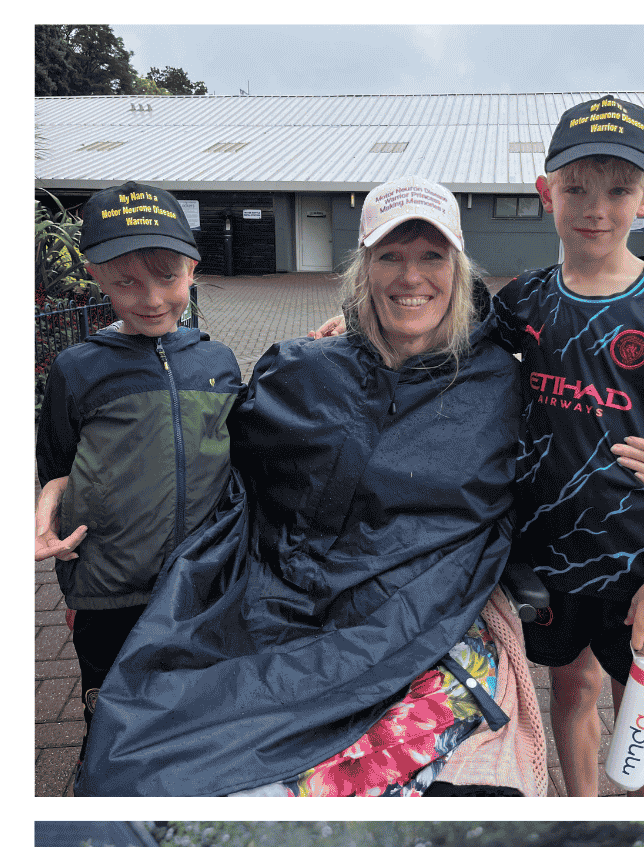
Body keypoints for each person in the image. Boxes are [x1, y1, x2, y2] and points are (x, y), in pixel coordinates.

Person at [75, 178, 541, 796]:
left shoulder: (502, 387)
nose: (412, 276)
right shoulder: (303, 368)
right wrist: (63, 482)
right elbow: (219, 448)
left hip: (405, 612)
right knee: (137, 750)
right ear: (363, 269)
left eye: (432, 256)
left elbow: (568, 462)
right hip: (271, 589)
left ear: (459, 269)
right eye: (391, 256)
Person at [490, 96, 644, 797]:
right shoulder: (524, 301)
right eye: (575, 188)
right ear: (546, 194)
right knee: (570, 693)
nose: (595, 208)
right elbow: (443, 337)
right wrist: (348, 324)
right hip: (548, 554)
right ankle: (582, 811)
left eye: (619, 189)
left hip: (640, 566)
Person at [34, 182, 241, 736]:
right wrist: (44, 508)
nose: (150, 298)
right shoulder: (76, 370)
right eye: (126, 281)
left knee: (195, 712)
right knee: (112, 716)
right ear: (95, 275)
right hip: (107, 589)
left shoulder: (218, 363)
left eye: (167, 277)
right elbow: (56, 464)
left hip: (202, 583)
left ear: (192, 269)